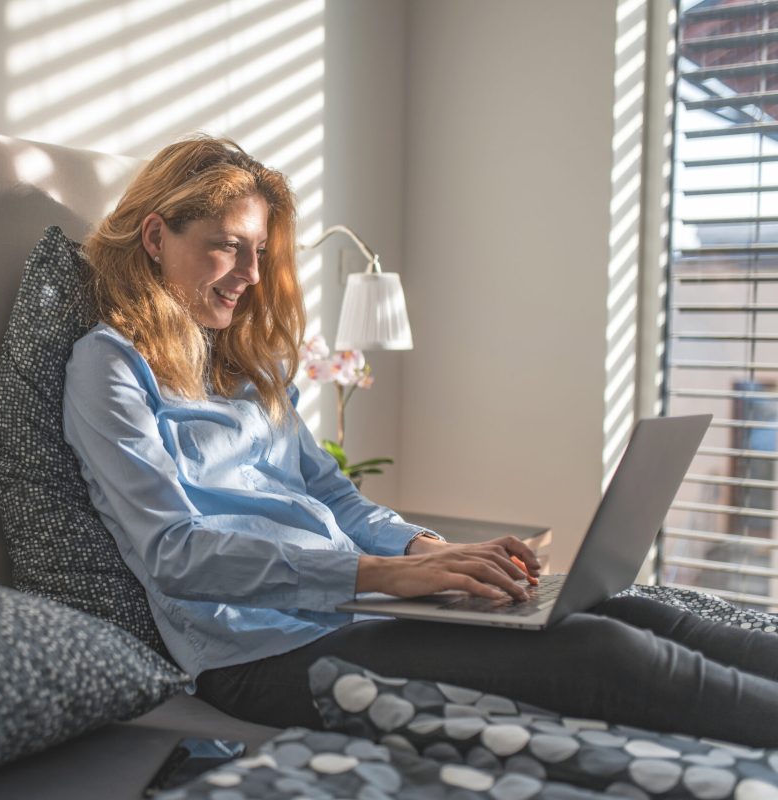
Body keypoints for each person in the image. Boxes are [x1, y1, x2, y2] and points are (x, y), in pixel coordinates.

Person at [61, 134, 778, 746]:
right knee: (599, 653)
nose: (250, 276)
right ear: (156, 236)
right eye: (227, 249)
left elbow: (335, 497)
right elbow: (175, 554)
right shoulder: (110, 366)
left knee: (624, 609)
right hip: (261, 658)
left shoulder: (245, 368)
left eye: (258, 252)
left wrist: (429, 554)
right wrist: (384, 576)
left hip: (354, 606)